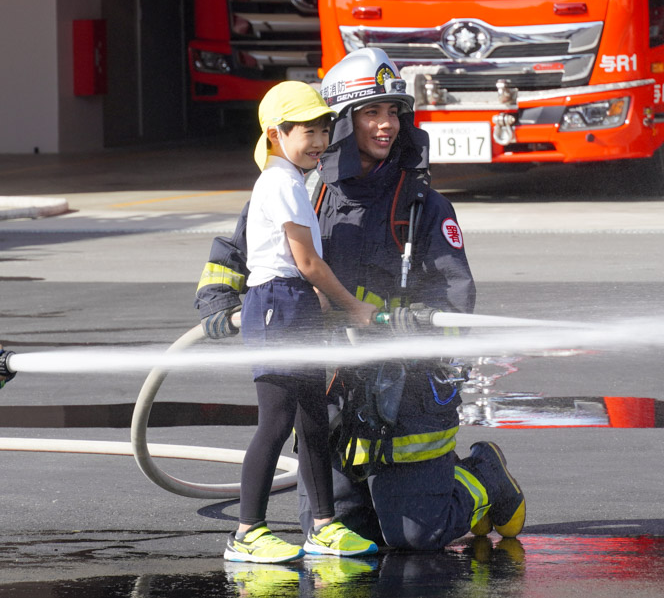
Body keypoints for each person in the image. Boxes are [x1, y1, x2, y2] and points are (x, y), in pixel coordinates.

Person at [195, 48, 525, 552]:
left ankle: (485, 478)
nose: (386, 125)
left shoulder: (422, 206)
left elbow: (456, 297)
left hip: (404, 400)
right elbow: (239, 249)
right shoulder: (301, 187)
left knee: (415, 536)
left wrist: (420, 326)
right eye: (371, 112)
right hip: (330, 396)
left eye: (394, 112)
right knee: (332, 532)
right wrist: (218, 295)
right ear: (343, 122)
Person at [223, 80, 380, 565]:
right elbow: (306, 261)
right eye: (306, 131)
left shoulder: (292, 180)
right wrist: (353, 307)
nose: (318, 140)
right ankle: (247, 533)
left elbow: (302, 268)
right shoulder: (280, 182)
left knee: (313, 420)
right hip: (277, 306)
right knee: (274, 423)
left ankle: (323, 527)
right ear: (275, 134)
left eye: (323, 128)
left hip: (294, 303)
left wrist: (318, 300)